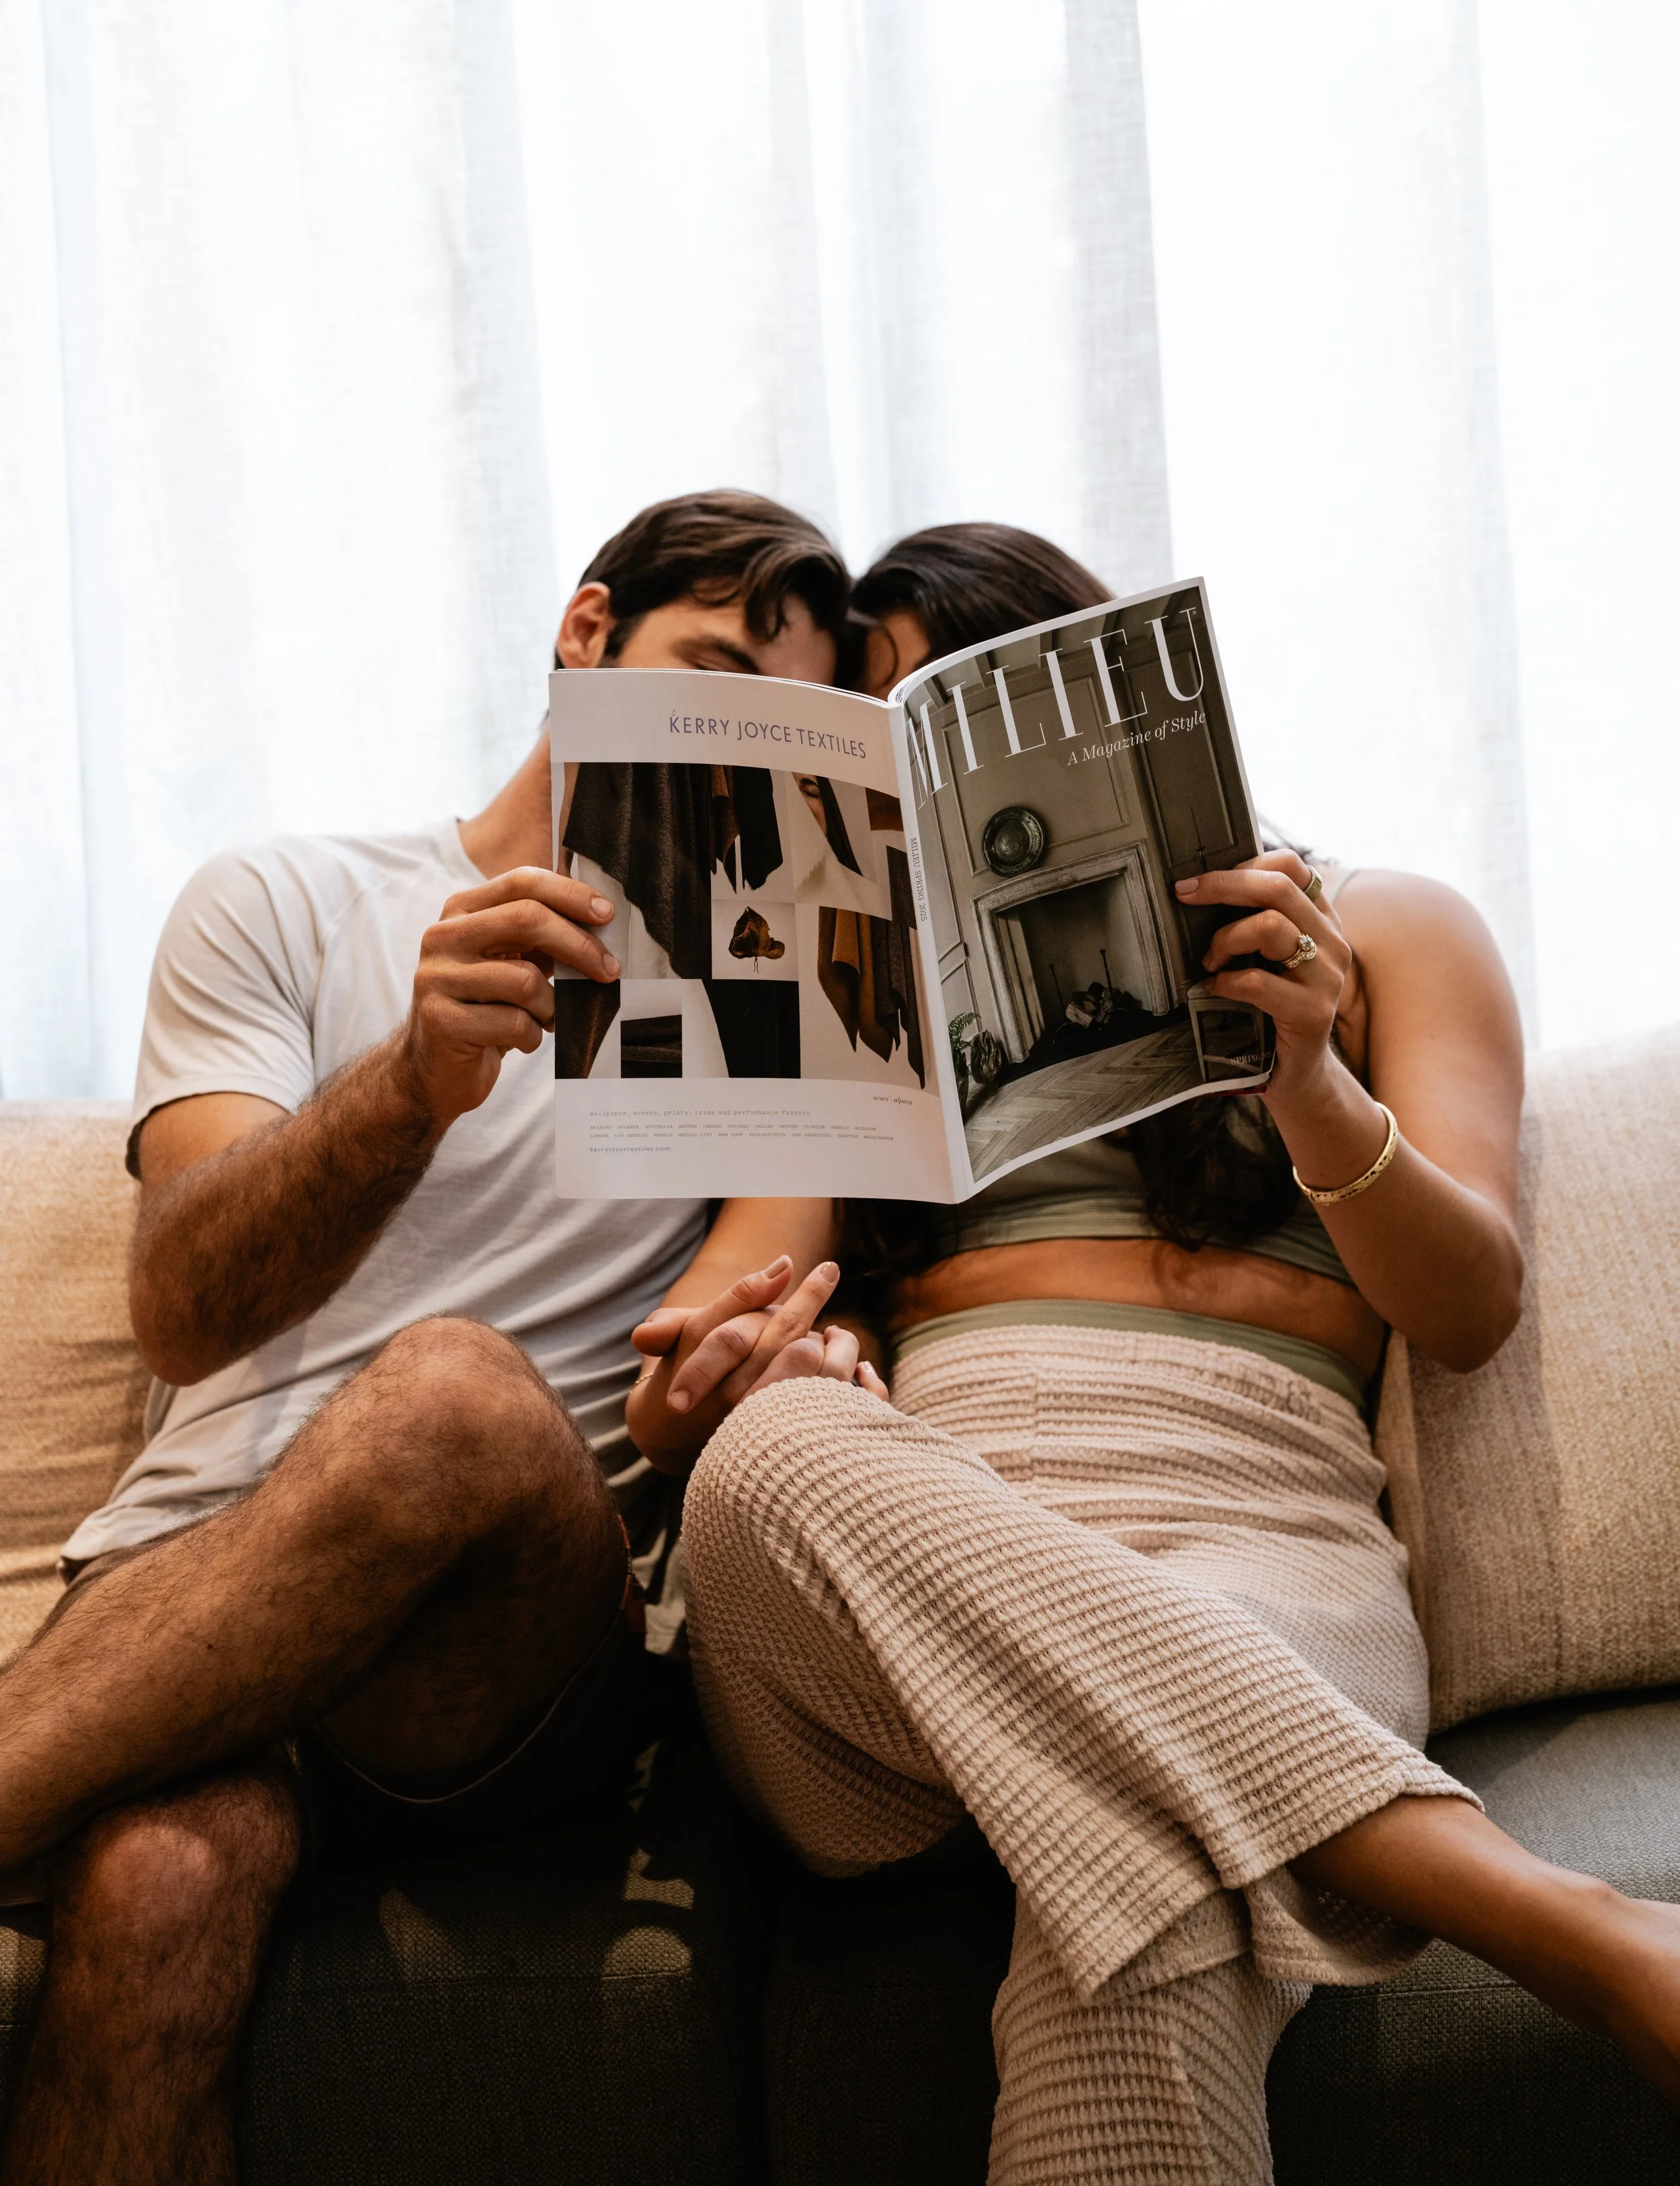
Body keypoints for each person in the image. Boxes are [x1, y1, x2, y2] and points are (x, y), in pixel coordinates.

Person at [628, 521, 1680, 2184]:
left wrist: (1310, 1077)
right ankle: (1554, 1921)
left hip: (1262, 1552)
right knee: (764, 1454)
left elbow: (1466, 1306)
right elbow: (699, 1335)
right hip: (898, 1633)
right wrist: (703, 1384)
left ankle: (1262, 1806)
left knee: (1137, 1910)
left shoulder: (1383, 927)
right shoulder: (848, 991)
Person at [0, 489, 879, 2186]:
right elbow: (182, 1304)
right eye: (696, 675)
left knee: (456, 1394)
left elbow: (713, 1345)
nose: (720, 749)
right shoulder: (282, 898)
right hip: (188, 1597)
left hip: (497, 1655)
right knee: (155, 1887)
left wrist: (724, 1385)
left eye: (780, 729)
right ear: (584, 634)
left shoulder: (783, 994)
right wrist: (412, 1082)